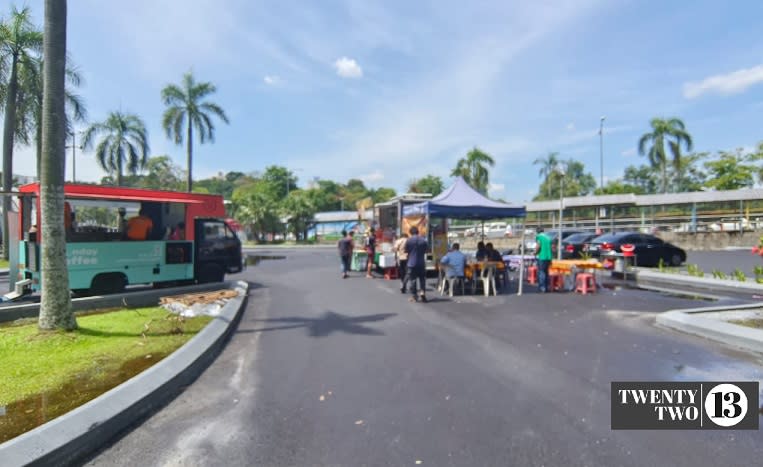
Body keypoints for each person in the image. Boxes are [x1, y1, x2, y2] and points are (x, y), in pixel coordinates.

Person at [405, 226, 429, 302]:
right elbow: (426, 250)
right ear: (418, 232)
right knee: (422, 279)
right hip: (421, 262)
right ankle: (422, 292)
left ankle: (414, 296)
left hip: (412, 263)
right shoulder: (423, 240)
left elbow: (406, 251)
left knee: (413, 280)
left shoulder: (409, 240)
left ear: (411, 233)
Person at [535, 227, 553, 293]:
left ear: (537, 232)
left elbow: (538, 246)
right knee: (546, 272)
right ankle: (547, 286)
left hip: (542, 256)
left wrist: (535, 252)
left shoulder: (539, 237)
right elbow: (551, 248)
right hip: (548, 257)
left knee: (541, 272)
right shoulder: (548, 237)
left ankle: (542, 287)